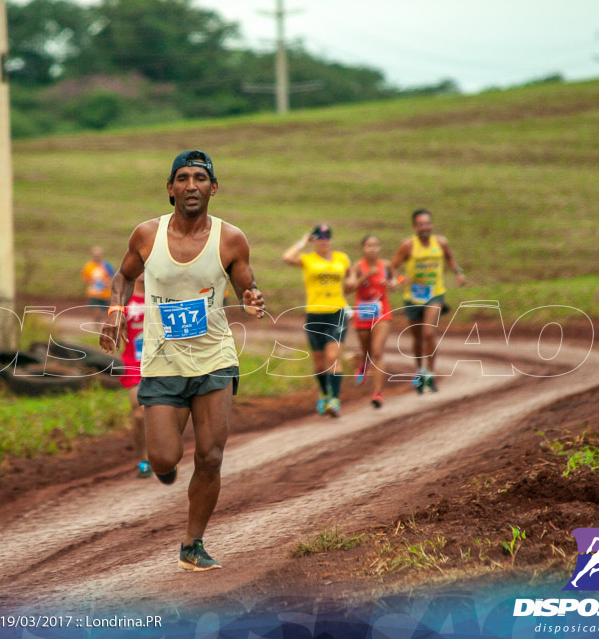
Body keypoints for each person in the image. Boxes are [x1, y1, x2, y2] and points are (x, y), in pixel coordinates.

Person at [100, 150, 265, 572]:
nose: (192, 185)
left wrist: (251, 297)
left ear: (214, 187)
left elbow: (247, 284)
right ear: (170, 189)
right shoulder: (146, 235)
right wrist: (115, 313)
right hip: (162, 361)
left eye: (200, 178)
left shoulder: (230, 239)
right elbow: (123, 277)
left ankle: (193, 544)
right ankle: (163, 466)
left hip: (214, 359)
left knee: (210, 455)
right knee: (164, 459)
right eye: (183, 178)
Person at [390, 209, 466, 394]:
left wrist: (457, 272)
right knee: (416, 337)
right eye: (421, 224)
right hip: (413, 296)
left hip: (435, 293)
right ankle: (420, 371)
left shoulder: (440, 242)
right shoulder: (408, 245)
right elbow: (392, 267)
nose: (425, 227)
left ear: (431, 225)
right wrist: (399, 280)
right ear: (415, 227)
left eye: (427, 223)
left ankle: (431, 373)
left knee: (428, 333)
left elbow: (449, 256)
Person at [282, 224, 352, 417]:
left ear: (331, 239)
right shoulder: (308, 259)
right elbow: (287, 257)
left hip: (336, 312)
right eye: (319, 237)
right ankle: (325, 393)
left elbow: (351, 277)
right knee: (320, 363)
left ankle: (335, 400)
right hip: (314, 314)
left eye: (326, 237)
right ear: (315, 240)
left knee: (333, 357)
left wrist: (352, 282)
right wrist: (303, 242)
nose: (323, 241)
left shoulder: (342, 258)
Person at [344, 234, 396, 408]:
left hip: (382, 313)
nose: (373, 249)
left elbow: (394, 281)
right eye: (369, 246)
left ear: (379, 248)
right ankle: (363, 363)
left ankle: (378, 393)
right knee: (366, 349)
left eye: (375, 245)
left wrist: (393, 284)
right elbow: (348, 288)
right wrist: (365, 276)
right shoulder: (357, 267)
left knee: (377, 352)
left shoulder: (386, 265)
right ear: (363, 249)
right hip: (363, 313)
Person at [119, 273, 151, 478]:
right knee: (139, 414)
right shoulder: (124, 294)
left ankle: (167, 453)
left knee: (164, 411)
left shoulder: (161, 291)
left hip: (162, 360)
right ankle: (145, 460)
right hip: (134, 362)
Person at [81, 246, 114, 313]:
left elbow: (112, 276)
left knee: (104, 312)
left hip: (105, 294)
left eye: (98, 255)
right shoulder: (88, 266)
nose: (97, 257)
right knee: (95, 311)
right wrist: (91, 283)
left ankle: (101, 323)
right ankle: (96, 323)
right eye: (95, 255)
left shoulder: (106, 265)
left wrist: (107, 283)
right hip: (93, 293)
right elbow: (84, 278)